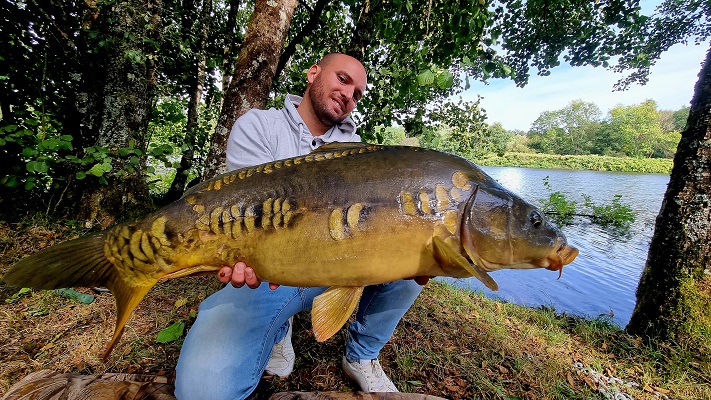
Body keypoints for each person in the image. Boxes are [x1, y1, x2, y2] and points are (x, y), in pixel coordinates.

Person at [174, 53, 426, 400]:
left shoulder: (358, 154)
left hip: (340, 264)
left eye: (357, 94)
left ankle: (362, 356)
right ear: (313, 73)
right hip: (269, 273)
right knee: (201, 392)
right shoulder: (259, 126)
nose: (348, 95)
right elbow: (248, 218)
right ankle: (279, 329)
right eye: (342, 79)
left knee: (420, 253)